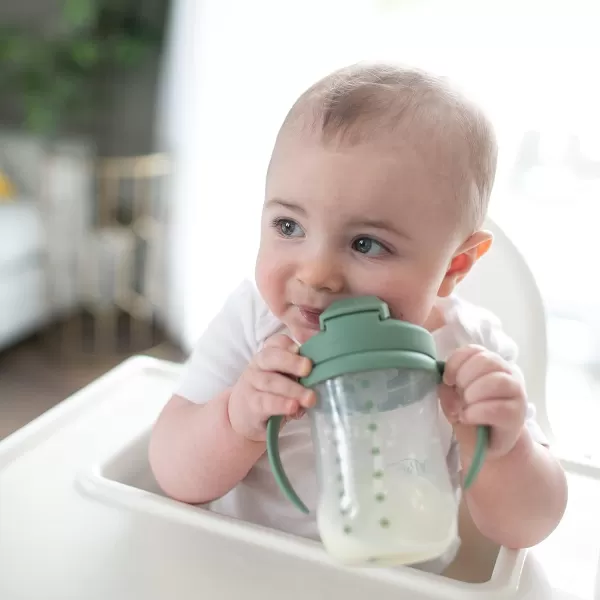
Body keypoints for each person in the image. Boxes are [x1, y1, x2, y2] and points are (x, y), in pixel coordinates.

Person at [149, 63, 567, 573]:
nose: (317, 273)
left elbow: (528, 527)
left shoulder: (468, 351)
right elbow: (171, 470)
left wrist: (504, 449)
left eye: (366, 243)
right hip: (240, 573)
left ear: (454, 267)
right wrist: (237, 419)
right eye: (288, 225)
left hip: (400, 583)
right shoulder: (256, 323)